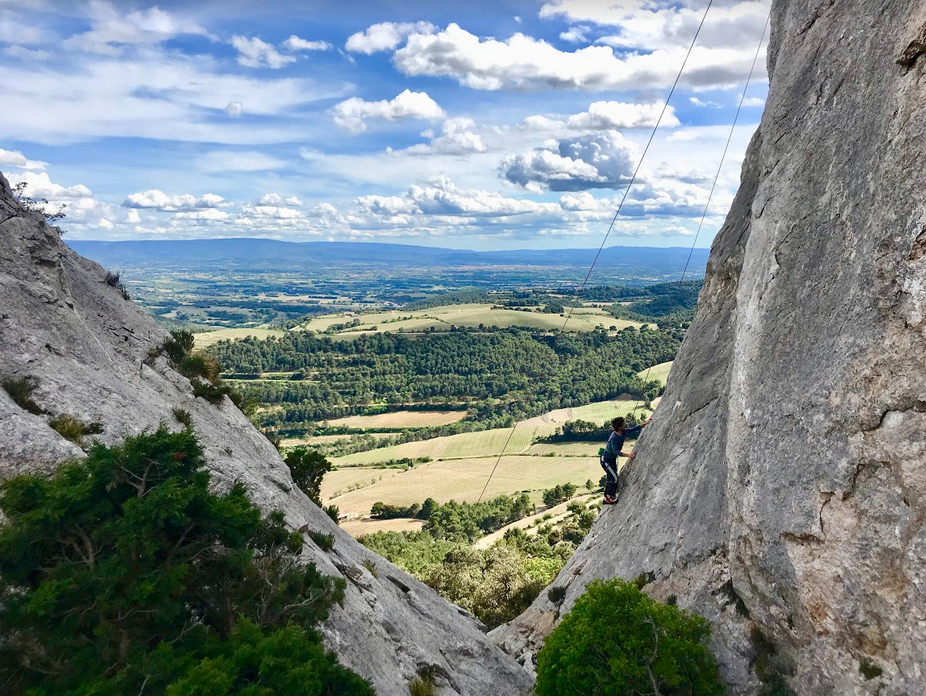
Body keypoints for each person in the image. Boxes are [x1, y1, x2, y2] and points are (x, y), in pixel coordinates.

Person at [600, 416, 651, 504]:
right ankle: (608, 497)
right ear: (619, 427)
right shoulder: (614, 438)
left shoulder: (622, 432)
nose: (625, 424)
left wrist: (645, 424)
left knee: (611, 477)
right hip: (606, 460)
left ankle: (609, 495)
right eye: (623, 424)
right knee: (615, 478)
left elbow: (632, 429)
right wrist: (629, 455)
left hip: (611, 460)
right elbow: (616, 451)